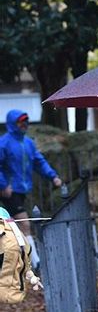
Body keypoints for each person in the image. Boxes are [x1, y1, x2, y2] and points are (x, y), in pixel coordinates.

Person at [0, 109, 63, 270]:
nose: (24, 124)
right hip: (9, 191)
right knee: (25, 224)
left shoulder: (28, 143)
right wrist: (3, 185)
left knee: (13, 226)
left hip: (21, 189)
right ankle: (36, 262)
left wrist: (53, 176)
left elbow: (39, 162)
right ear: (13, 123)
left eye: (26, 121)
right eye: (20, 121)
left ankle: (22, 261)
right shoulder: (4, 143)